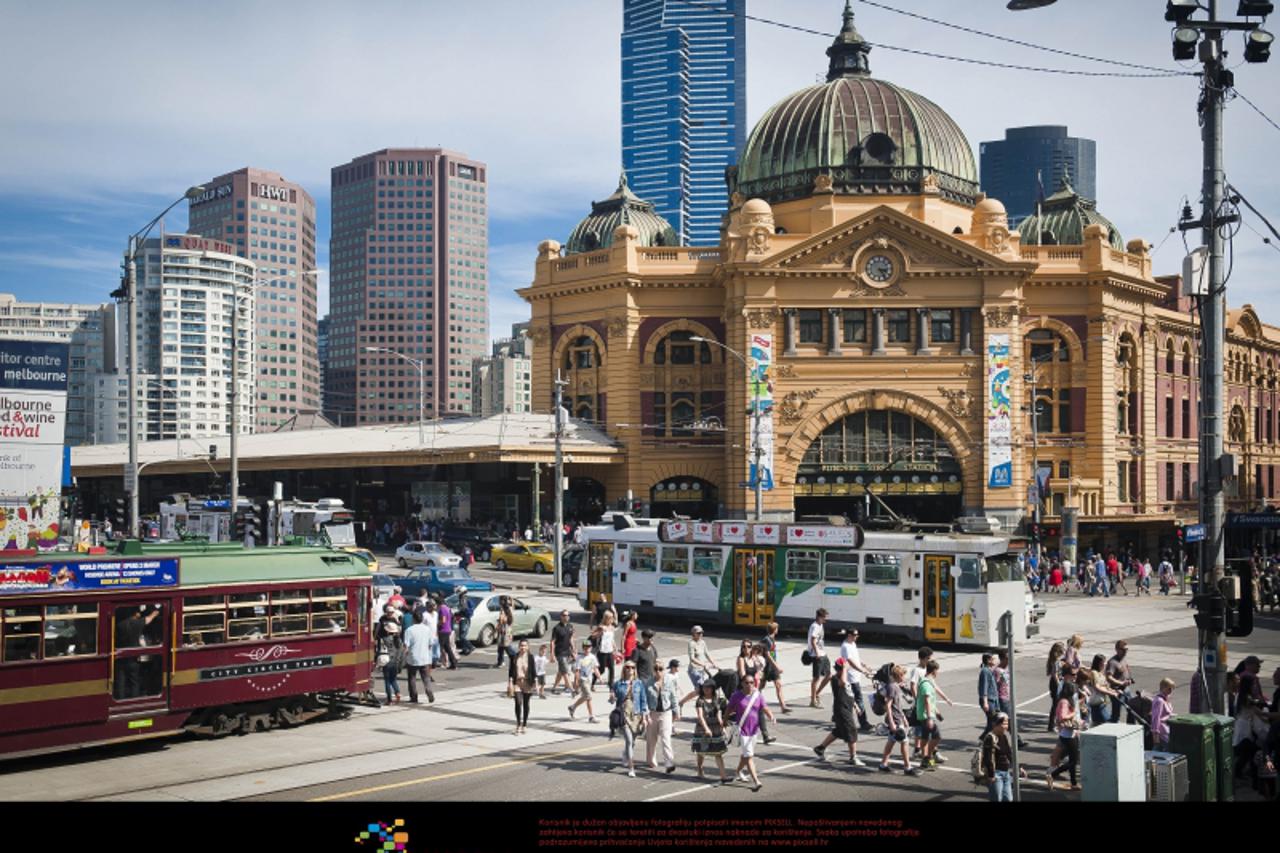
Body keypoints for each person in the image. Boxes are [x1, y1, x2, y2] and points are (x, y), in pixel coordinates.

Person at [813, 659, 865, 766]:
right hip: (842, 710)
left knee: (839, 731)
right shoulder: (837, 679)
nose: (848, 668)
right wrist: (845, 668)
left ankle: (820, 748)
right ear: (841, 669)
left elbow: (849, 693)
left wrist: (855, 706)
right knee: (852, 731)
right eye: (845, 667)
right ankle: (853, 757)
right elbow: (842, 683)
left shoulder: (844, 678)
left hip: (846, 708)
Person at [727, 675, 774, 792]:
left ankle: (737, 771)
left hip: (754, 730)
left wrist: (771, 716)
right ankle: (756, 781)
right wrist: (723, 721)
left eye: (752, 682)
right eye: (747, 683)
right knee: (749, 756)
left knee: (746, 754)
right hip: (742, 730)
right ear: (742, 683)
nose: (750, 685)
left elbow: (765, 707)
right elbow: (729, 709)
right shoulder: (736, 696)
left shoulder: (758, 695)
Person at [878, 665, 919, 776]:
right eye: (904, 675)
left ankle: (883, 764)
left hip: (898, 718)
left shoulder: (895, 686)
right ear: (899, 676)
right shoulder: (893, 687)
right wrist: (892, 722)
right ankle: (907, 767)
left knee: (891, 742)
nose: (905, 677)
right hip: (895, 721)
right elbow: (888, 705)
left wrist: (904, 718)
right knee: (904, 743)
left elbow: (898, 706)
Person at [612, 660, 649, 777]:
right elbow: (614, 699)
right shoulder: (618, 684)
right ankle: (631, 767)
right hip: (624, 715)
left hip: (636, 715)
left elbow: (643, 701)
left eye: (632, 667)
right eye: (627, 667)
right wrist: (612, 698)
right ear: (624, 669)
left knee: (632, 741)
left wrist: (644, 717)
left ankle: (625, 754)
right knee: (629, 740)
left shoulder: (639, 684)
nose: (630, 670)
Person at [645, 660, 680, 774]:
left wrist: (676, 711)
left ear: (664, 670)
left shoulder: (669, 681)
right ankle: (651, 759)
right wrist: (645, 714)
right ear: (653, 670)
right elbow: (644, 700)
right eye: (656, 669)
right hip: (653, 713)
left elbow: (674, 696)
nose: (658, 671)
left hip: (666, 713)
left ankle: (669, 763)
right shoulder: (648, 682)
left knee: (666, 738)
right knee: (652, 739)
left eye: (661, 669)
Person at [692, 678, 730, 783]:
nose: (706, 689)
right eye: (704, 687)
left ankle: (723, 776)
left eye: (708, 687)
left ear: (713, 689)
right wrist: (706, 729)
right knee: (701, 751)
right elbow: (700, 716)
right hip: (702, 728)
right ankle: (700, 769)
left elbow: (718, 715)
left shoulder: (717, 700)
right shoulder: (700, 700)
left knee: (718, 753)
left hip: (715, 728)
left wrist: (723, 727)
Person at [838, 628, 874, 733]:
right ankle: (864, 723)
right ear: (849, 635)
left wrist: (864, 665)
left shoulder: (852, 644)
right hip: (851, 677)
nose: (856, 637)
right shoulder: (845, 646)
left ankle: (837, 717)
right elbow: (850, 661)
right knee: (858, 700)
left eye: (857, 635)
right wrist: (862, 671)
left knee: (848, 699)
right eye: (854, 635)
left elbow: (856, 658)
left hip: (856, 675)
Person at [1048, 682, 1082, 791]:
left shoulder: (1067, 700)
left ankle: (1073, 783)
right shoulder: (1064, 701)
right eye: (1074, 689)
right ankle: (1053, 774)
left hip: (1071, 733)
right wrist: (1074, 713)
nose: (1075, 691)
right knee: (1073, 761)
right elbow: (1062, 716)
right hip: (1067, 735)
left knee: (1073, 759)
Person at [403, 610, 435, 704]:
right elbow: (430, 644)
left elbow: (406, 646)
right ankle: (428, 690)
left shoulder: (409, 630)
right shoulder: (427, 629)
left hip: (413, 657)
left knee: (412, 678)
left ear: (413, 619)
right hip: (425, 657)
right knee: (426, 677)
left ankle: (414, 696)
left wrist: (404, 655)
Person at [915, 659, 942, 770]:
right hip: (926, 716)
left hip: (927, 714)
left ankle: (926, 760)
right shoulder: (926, 684)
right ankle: (928, 757)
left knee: (925, 738)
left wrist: (937, 712)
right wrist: (930, 717)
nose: (938, 673)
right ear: (934, 670)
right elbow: (926, 701)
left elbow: (931, 701)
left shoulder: (927, 681)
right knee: (936, 737)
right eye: (937, 671)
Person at [681, 625, 718, 706]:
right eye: (698, 633)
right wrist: (703, 664)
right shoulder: (691, 643)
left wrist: (713, 663)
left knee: (699, 690)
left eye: (701, 633)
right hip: (694, 670)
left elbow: (707, 653)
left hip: (701, 670)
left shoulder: (702, 642)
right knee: (701, 690)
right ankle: (683, 702)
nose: (700, 634)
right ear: (693, 634)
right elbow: (692, 658)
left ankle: (683, 702)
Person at [981, 712, 1014, 802]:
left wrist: (1018, 767)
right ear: (996, 724)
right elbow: (988, 758)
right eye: (1004, 723)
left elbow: (1009, 753)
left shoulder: (1004, 736)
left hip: (1006, 773)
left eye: (1007, 723)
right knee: (996, 799)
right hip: (996, 774)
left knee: (1008, 799)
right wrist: (991, 775)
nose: (1006, 726)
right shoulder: (990, 738)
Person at [376, 605, 406, 705]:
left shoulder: (383, 639)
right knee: (393, 679)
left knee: (387, 681)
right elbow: (401, 652)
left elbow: (379, 649)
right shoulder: (398, 640)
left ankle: (389, 699)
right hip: (395, 661)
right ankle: (397, 693)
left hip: (387, 661)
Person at [759, 622, 790, 714]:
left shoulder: (772, 639)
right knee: (761, 686)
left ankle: (783, 706)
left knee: (778, 685)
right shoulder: (767, 640)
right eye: (777, 628)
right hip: (767, 667)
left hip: (772, 667)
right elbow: (768, 655)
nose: (778, 630)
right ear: (775, 630)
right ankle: (755, 702)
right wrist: (777, 666)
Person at [508, 638, 538, 734]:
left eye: (525, 645)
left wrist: (536, 683)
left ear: (528, 647)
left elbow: (533, 671)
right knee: (518, 702)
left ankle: (524, 724)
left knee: (526, 704)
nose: (523, 647)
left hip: (527, 683)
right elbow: (511, 670)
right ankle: (518, 724)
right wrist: (510, 681)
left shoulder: (530, 657)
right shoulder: (515, 657)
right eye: (521, 645)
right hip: (517, 682)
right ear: (519, 646)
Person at [568, 639, 600, 723]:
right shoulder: (579, 658)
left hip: (589, 679)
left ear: (591, 648)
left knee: (585, 697)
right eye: (585, 648)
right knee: (589, 697)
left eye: (588, 647)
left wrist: (599, 677)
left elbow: (595, 668)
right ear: (583, 648)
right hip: (582, 680)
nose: (587, 649)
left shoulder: (592, 657)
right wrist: (576, 682)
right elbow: (577, 671)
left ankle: (573, 707)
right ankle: (591, 716)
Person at [1105, 640, 1134, 723]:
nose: (1126, 651)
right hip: (1117, 690)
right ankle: (1114, 728)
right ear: (1117, 649)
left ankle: (1131, 727)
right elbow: (1109, 677)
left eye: (1127, 649)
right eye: (1124, 649)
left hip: (1126, 689)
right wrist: (1121, 683)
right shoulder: (1112, 662)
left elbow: (1126, 668)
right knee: (1116, 713)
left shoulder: (1123, 658)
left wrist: (1129, 678)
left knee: (1132, 709)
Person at [808, 608, 832, 708]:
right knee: (816, 678)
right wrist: (817, 652)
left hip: (823, 654)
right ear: (819, 617)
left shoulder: (820, 625)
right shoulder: (815, 626)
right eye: (824, 617)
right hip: (817, 655)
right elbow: (813, 640)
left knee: (829, 675)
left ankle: (816, 694)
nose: (826, 619)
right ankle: (813, 701)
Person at [1087, 654, 1119, 724]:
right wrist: (1110, 693)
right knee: (1102, 724)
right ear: (1098, 663)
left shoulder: (1101, 673)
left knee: (1105, 723)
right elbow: (1097, 687)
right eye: (1103, 663)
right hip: (1096, 704)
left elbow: (1105, 686)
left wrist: (1113, 690)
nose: (1104, 664)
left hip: (1102, 704)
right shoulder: (1094, 673)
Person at [550, 610, 576, 695]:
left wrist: (573, 650)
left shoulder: (570, 626)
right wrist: (552, 654)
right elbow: (552, 642)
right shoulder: (557, 628)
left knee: (561, 672)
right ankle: (572, 690)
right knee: (565, 671)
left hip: (568, 652)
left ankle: (554, 688)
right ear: (561, 616)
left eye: (568, 615)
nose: (566, 617)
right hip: (560, 652)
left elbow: (571, 639)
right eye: (564, 615)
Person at [593, 609, 618, 692]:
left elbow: (612, 639)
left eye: (612, 618)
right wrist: (600, 632)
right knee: (602, 669)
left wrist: (615, 648)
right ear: (606, 618)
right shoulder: (601, 626)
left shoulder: (612, 627)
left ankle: (611, 686)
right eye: (610, 618)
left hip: (610, 650)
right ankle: (592, 682)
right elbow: (593, 636)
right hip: (602, 651)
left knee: (612, 668)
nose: (611, 620)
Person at [1045, 642, 1067, 733]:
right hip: (1055, 684)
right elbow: (1055, 674)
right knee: (1055, 705)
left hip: (1055, 683)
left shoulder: (1055, 660)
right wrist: (1059, 685)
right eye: (1063, 649)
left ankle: (1054, 724)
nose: (1064, 650)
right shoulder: (1056, 661)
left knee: (1056, 704)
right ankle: (1051, 725)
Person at [1150, 677, 1176, 749]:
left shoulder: (1166, 698)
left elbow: (1167, 714)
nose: (1171, 691)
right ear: (1163, 687)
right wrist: (1155, 735)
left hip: (1167, 730)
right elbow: (1156, 718)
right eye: (1169, 689)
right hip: (1162, 732)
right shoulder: (1159, 701)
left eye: (1172, 689)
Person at [978, 652, 1000, 737]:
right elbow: (984, 687)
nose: (995, 660)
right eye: (993, 659)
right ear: (988, 660)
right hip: (988, 700)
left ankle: (985, 739)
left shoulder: (989, 670)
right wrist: (985, 702)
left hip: (993, 699)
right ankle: (983, 739)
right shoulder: (985, 671)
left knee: (992, 721)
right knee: (993, 722)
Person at [437, 596, 457, 670]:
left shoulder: (442, 609)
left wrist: (436, 624)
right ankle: (453, 662)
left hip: (443, 630)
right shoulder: (448, 608)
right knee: (447, 647)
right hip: (448, 629)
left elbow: (443, 620)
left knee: (441, 647)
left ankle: (443, 662)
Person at [495, 596, 514, 671]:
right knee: (500, 647)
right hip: (506, 629)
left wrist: (499, 621)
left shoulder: (504, 609)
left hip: (505, 630)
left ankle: (514, 657)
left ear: (502, 601)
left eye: (500, 600)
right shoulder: (509, 608)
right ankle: (500, 661)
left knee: (506, 646)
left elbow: (502, 619)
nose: (499, 602)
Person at [455, 589, 475, 655]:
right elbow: (461, 610)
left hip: (465, 619)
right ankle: (465, 649)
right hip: (462, 619)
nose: (458, 594)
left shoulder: (465, 600)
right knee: (462, 635)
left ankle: (470, 646)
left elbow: (467, 610)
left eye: (459, 592)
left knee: (462, 636)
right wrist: (457, 613)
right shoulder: (462, 599)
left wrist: (461, 612)